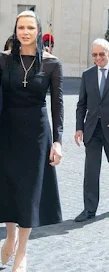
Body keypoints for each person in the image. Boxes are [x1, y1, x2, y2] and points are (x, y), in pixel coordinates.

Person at [0, 10, 63, 272]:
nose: (25, 32)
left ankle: (22, 250)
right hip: (5, 131)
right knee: (8, 187)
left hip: (36, 134)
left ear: (38, 31)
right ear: (15, 30)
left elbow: (57, 105)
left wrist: (58, 141)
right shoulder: (1, 60)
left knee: (29, 191)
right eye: (21, 27)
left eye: (30, 28)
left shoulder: (52, 63)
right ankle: (10, 233)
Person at [74, 38, 109, 223]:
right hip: (92, 130)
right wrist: (79, 127)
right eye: (94, 54)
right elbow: (81, 104)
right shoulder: (87, 75)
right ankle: (89, 209)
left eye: (101, 54)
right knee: (91, 172)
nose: (98, 58)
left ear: (108, 54)